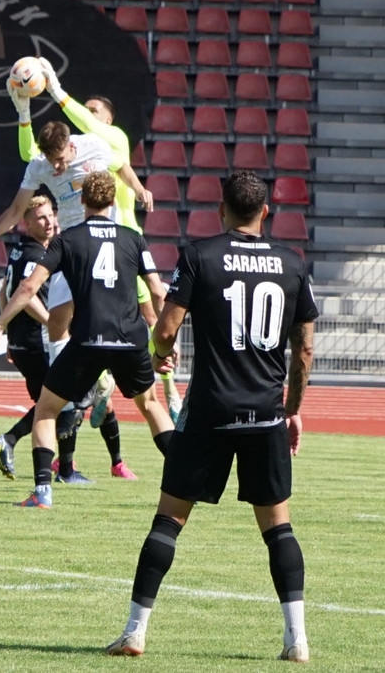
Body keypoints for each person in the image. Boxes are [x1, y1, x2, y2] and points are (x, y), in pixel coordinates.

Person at [106, 170, 318, 662]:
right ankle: (297, 641)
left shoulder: (200, 256)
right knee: (278, 528)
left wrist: (161, 353)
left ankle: (135, 632)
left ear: (220, 210)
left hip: (209, 412)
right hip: (266, 414)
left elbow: (166, 329)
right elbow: (303, 352)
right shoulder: (292, 263)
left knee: (169, 520)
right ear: (266, 212)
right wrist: (293, 410)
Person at [0, 172, 173, 508]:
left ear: (81, 201)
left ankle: (42, 493)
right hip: (129, 339)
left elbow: (28, 287)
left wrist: (0, 324)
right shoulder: (134, 238)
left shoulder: (68, 240)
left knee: (47, 410)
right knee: (152, 406)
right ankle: (186, 482)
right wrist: (165, 343)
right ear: (112, 202)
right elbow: (157, 291)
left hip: (87, 341)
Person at [8, 58, 183, 424]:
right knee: (86, 320)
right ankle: (101, 383)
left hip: (124, 244)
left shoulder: (111, 139)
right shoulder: (80, 152)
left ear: (107, 119)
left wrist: (56, 90)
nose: (83, 115)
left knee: (149, 314)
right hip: (92, 243)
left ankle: (167, 387)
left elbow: (84, 127)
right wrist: (24, 111)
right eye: (83, 109)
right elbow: (33, 155)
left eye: (92, 111)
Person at [0, 196, 138, 482]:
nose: (50, 222)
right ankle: (39, 455)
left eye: (51, 216)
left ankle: (69, 464)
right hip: (39, 341)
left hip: (23, 342)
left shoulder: (20, 251)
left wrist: (7, 332)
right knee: (64, 402)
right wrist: (52, 323)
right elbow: (26, 292)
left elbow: (4, 290)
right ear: (27, 222)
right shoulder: (35, 254)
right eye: (42, 218)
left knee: (53, 405)